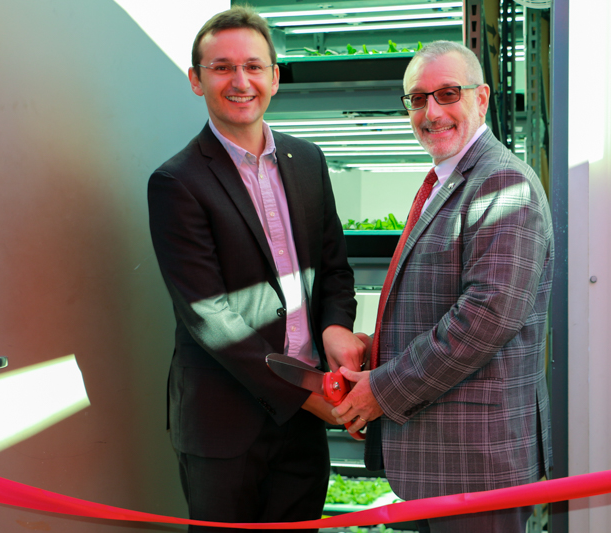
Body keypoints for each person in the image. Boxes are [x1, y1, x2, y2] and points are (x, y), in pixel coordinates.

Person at [147, 6, 365, 532]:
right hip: (225, 424)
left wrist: (335, 326)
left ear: (274, 78)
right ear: (197, 81)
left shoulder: (308, 161)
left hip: (305, 423)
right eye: (221, 67)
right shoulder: (176, 182)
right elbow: (209, 318)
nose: (240, 81)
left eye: (253, 66)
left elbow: (334, 266)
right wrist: (308, 396)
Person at [331, 40, 554, 533]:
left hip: (476, 462)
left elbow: (485, 318)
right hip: (447, 461)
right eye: (417, 98)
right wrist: (377, 349)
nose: (431, 111)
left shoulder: (500, 184)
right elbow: (438, 304)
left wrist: (381, 390)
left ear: (482, 99)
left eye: (448, 94)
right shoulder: (446, 179)